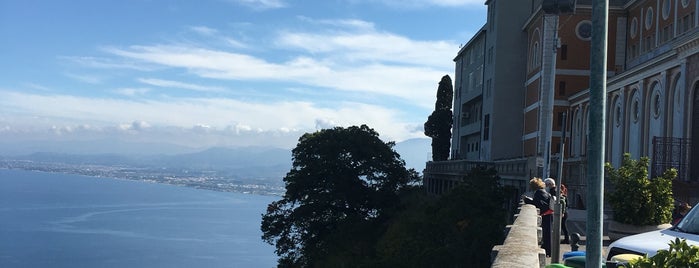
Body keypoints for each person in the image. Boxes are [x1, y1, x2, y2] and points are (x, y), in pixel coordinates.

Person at [522, 177, 553, 256]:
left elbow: (537, 203)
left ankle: (548, 251)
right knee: (547, 233)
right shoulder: (543, 191)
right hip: (548, 214)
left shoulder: (538, 192)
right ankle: (548, 250)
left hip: (546, 215)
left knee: (546, 234)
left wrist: (527, 200)